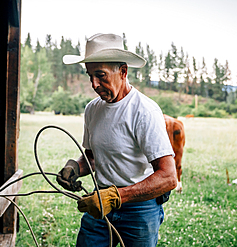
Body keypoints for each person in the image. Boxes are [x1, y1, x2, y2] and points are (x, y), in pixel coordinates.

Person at [57, 33, 177, 247]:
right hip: (100, 203)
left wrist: (117, 196)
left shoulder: (144, 111)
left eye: (101, 75)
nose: (94, 84)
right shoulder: (92, 109)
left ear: (123, 71)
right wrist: (75, 166)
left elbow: (168, 177)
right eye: (90, 75)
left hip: (140, 209)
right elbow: (94, 158)